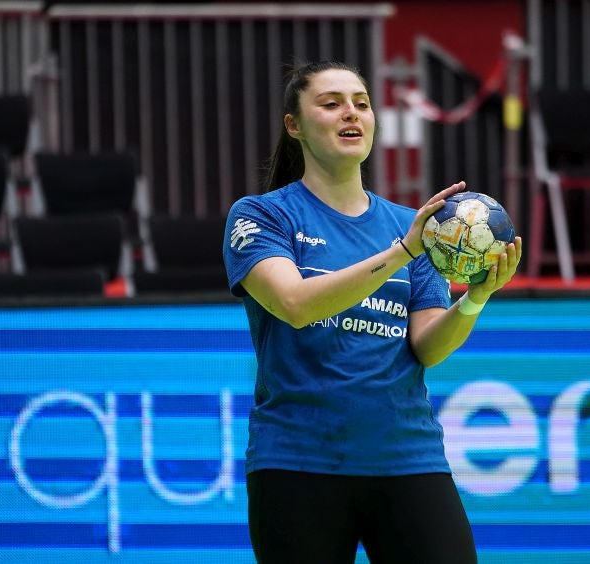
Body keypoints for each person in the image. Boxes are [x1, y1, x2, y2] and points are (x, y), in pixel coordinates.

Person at [223, 60, 522, 564]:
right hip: (299, 462)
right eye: (332, 103)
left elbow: (427, 345)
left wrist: (474, 297)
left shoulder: (414, 226)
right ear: (293, 125)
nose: (351, 113)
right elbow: (295, 304)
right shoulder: (262, 215)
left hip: (407, 457)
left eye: (361, 103)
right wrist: (401, 253)